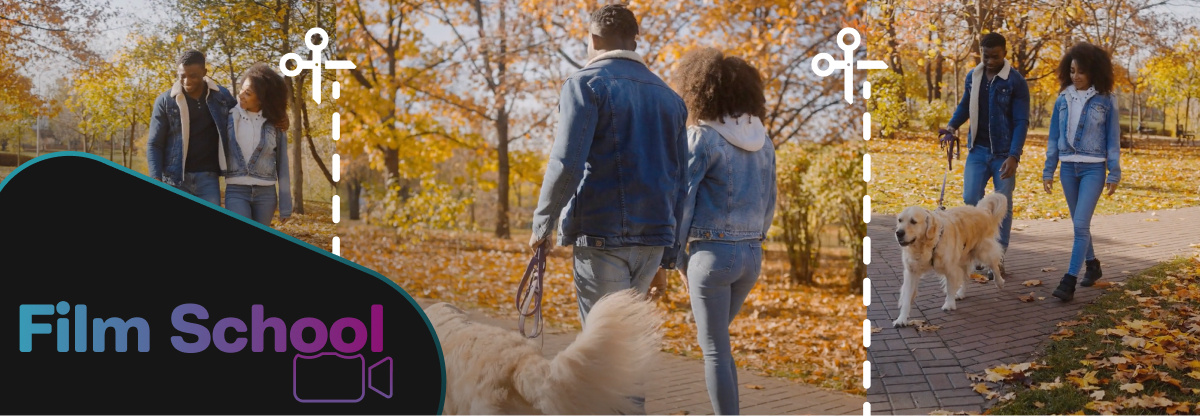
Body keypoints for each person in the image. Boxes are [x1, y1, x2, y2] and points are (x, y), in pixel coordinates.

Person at [529, 3, 688, 324]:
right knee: (622, 344)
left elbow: (567, 162)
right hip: (654, 238)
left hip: (601, 233)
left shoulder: (585, 84)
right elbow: (679, 181)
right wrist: (668, 256)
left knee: (602, 346)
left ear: (594, 39)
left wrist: (543, 223)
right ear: (635, 40)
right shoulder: (671, 99)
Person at [668, 47, 776, 415]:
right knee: (717, 342)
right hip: (751, 256)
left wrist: (675, 259)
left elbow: (682, 202)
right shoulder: (765, 142)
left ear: (699, 90)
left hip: (711, 255)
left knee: (713, 346)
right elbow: (769, 205)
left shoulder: (700, 137)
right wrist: (755, 241)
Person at [941, 32, 1031, 281]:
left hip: (1004, 154)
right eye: (985, 55)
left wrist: (1014, 156)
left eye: (995, 56)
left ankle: (998, 258)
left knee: (1002, 207)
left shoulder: (1016, 82)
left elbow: (1022, 121)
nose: (990, 61)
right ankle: (975, 251)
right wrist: (951, 126)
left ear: (1004, 53)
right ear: (980, 52)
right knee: (970, 199)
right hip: (977, 151)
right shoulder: (974, 76)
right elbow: (964, 105)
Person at [1044, 42, 1121, 301]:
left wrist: (1114, 171)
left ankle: (1069, 281)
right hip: (1067, 168)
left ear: (1094, 72)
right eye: (1072, 70)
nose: (1075, 76)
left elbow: (1112, 139)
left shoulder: (1107, 100)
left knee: (1079, 225)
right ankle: (1093, 265)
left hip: (1093, 169)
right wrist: (1048, 170)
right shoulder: (1062, 99)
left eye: (1081, 71)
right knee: (1081, 225)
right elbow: (1053, 137)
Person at [147, 50, 236, 205]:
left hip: (208, 179)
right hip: (175, 180)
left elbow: (245, 115)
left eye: (193, 76)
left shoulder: (221, 96)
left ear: (204, 72)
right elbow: (155, 143)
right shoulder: (165, 101)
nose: (187, 81)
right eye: (182, 76)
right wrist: (156, 177)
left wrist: (277, 118)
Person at [222, 63, 292, 227]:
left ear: (262, 98)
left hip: (266, 194)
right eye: (242, 90)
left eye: (248, 93)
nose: (241, 95)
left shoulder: (276, 124)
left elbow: (283, 165)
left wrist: (285, 205)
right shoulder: (229, 117)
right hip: (236, 190)